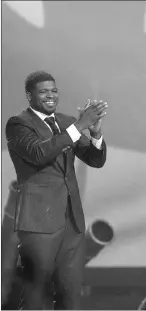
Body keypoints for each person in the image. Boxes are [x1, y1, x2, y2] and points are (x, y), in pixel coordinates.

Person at [5, 70, 108, 310]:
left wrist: (94, 132)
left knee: (69, 296)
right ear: (29, 96)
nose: (51, 96)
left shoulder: (65, 121)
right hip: (38, 224)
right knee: (35, 295)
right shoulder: (18, 124)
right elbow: (39, 153)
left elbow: (95, 159)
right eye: (43, 92)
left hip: (71, 222)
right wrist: (80, 125)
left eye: (54, 90)